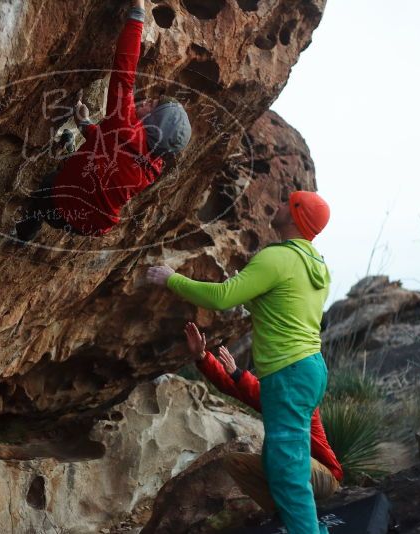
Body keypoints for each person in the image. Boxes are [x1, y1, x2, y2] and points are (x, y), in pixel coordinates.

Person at [147, 190, 332, 534]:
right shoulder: (317, 266)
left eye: (284, 203)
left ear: (294, 215)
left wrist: (170, 278)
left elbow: (223, 297)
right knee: (280, 465)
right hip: (311, 368)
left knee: (288, 472)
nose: (275, 205)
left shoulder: (278, 259)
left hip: (289, 371)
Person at [14, 0, 191, 241]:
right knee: (84, 165)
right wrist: (85, 125)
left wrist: (137, 12)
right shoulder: (153, 167)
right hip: (92, 226)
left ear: (153, 121)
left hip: (58, 205)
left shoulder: (126, 126)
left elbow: (124, 70)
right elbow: (113, 152)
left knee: (48, 183)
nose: (145, 100)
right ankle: (28, 233)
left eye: (152, 105)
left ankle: (24, 233)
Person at [183, 321, 342, 513]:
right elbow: (234, 388)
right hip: (293, 468)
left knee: (282, 453)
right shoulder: (277, 388)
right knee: (235, 462)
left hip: (323, 475)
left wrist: (237, 373)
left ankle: (299, 513)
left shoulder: (304, 392)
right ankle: (279, 514)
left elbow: (261, 394)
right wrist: (202, 357)